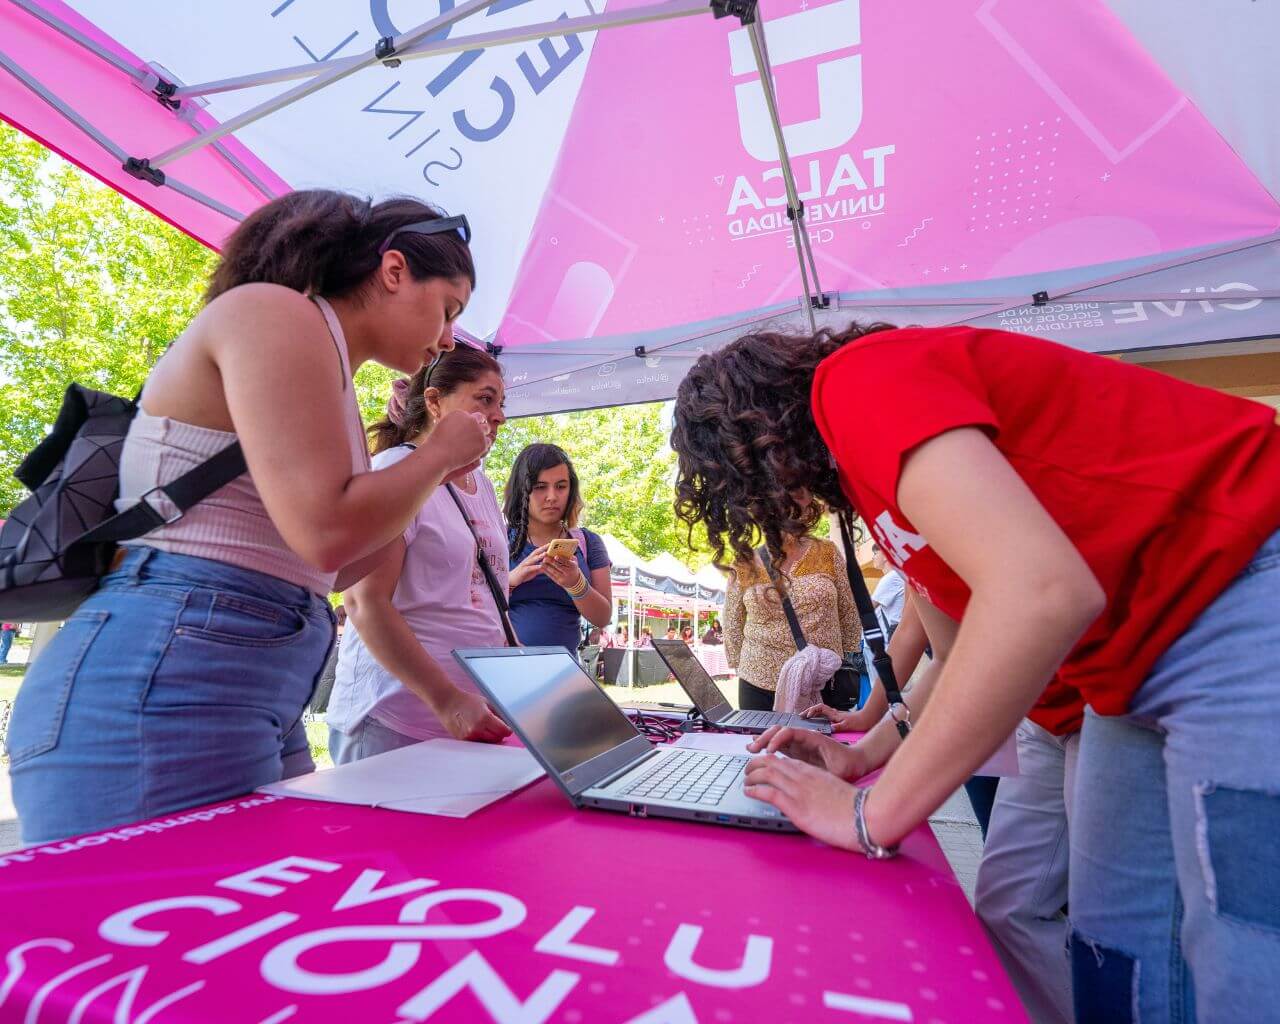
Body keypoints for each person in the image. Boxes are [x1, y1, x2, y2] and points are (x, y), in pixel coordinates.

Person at [670, 322, 1280, 1022]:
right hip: (1123, 671)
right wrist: (859, 758)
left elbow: (1043, 591)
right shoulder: (871, 486)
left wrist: (872, 814)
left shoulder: (857, 379)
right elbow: (954, 659)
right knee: (1114, 946)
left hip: (1239, 579)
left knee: (1244, 947)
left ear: (754, 433)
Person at [6, 190, 489, 844]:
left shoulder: (330, 373)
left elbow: (338, 568)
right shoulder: (277, 313)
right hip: (167, 673)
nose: (449, 336)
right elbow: (325, 534)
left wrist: (427, 475)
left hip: (242, 676)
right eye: (448, 308)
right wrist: (433, 455)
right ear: (395, 270)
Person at [326, 346, 513, 760]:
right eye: (484, 399)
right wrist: (445, 699)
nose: (499, 415)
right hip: (396, 720)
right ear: (434, 401)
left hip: (469, 720)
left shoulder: (480, 484)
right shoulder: (395, 468)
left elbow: (482, 594)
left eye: (502, 403)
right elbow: (363, 602)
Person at [722, 525, 860, 712]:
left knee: (822, 741)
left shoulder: (827, 551)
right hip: (759, 682)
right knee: (763, 741)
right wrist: (738, 662)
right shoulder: (744, 562)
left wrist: (842, 655)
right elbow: (732, 620)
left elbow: (848, 610)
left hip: (823, 678)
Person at [505, 444, 612, 653]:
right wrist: (510, 582)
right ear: (521, 490)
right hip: (507, 669)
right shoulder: (499, 538)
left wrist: (576, 584)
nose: (552, 496)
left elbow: (603, 617)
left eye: (561, 486)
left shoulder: (589, 543)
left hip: (565, 674)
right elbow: (473, 606)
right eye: (539, 487)